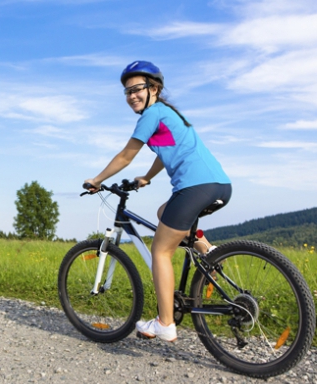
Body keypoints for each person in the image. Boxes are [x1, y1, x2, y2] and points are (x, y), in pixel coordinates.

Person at [84, 61, 232, 342]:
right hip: (219, 186)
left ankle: (165, 323)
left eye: (137, 89)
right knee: (165, 211)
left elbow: (126, 155)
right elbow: (166, 150)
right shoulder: (167, 115)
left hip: (194, 188)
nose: (131, 96)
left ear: (154, 89)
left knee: (160, 251)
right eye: (127, 92)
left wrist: (97, 179)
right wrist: (148, 177)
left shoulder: (151, 114)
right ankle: (209, 251)